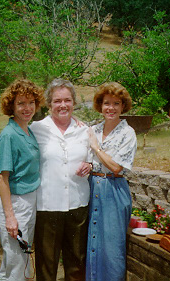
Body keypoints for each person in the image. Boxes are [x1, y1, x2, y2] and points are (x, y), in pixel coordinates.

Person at [30, 78, 92, 281]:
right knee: (47, 265)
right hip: (48, 206)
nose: (63, 105)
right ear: (49, 104)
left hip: (78, 205)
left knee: (76, 263)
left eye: (67, 100)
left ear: (74, 102)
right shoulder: (36, 129)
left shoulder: (85, 130)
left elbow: (94, 160)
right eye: (57, 101)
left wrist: (90, 166)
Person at [85, 82, 137, 281]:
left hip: (113, 190)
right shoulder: (93, 130)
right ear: (100, 105)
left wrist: (96, 148)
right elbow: (88, 161)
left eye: (116, 103)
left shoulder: (127, 133)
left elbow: (116, 167)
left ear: (123, 106)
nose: (111, 108)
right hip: (92, 188)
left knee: (112, 248)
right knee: (93, 245)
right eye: (107, 103)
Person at [0, 79, 44, 281]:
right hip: (15, 204)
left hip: (28, 203)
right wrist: (10, 217)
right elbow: (1, 178)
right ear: (11, 106)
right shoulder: (9, 135)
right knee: (16, 266)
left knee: (16, 264)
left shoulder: (27, 130)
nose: (27, 108)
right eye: (21, 103)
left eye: (31, 102)